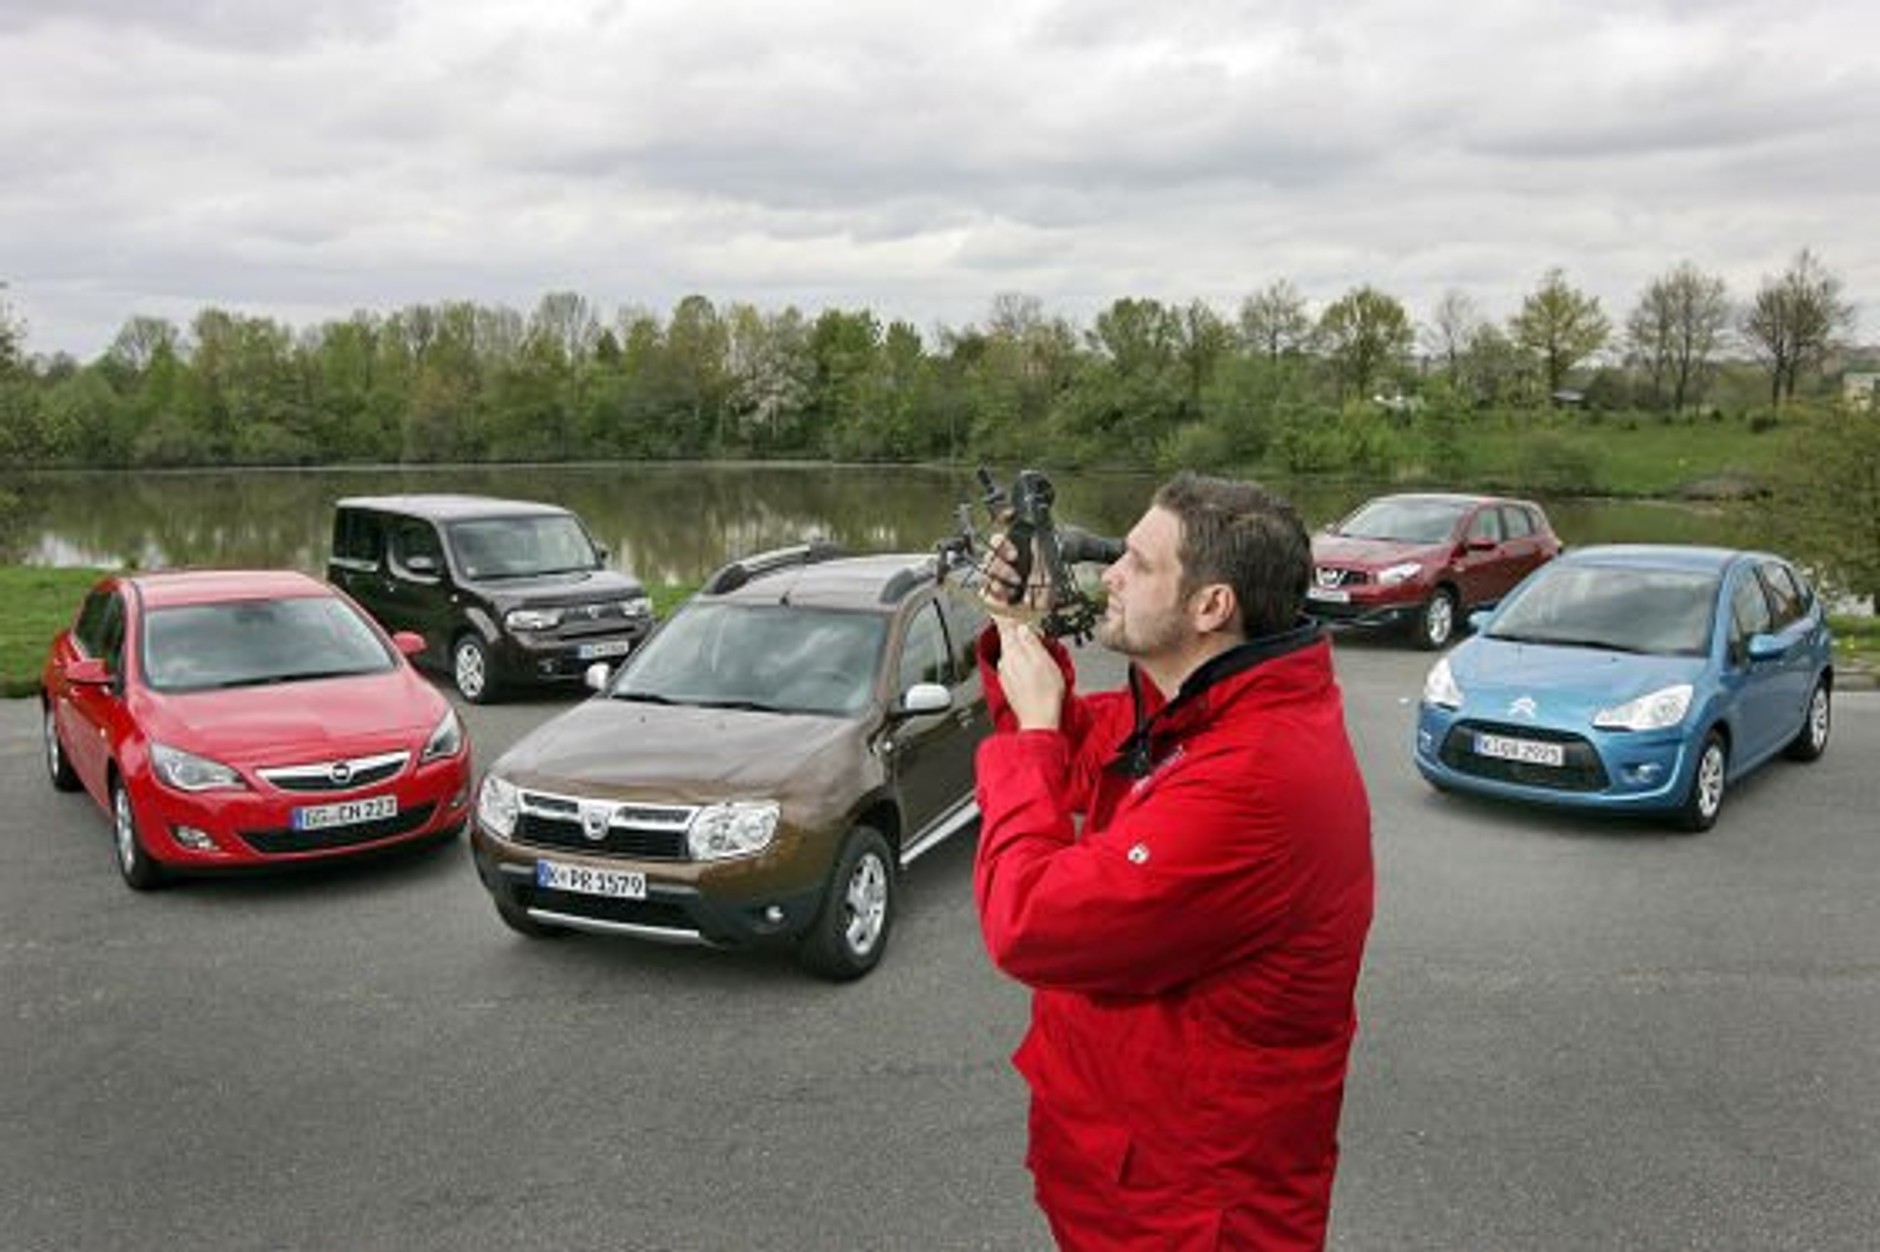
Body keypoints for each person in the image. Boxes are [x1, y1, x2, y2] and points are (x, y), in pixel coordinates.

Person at [972, 472, 1375, 1251]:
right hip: (1128, 1177)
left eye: (1138, 563)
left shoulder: (1255, 781)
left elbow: (1028, 923)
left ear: (1211, 606)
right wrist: (1018, 632)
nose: (1110, 574)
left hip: (1189, 1214)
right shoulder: (1205, 712)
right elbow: (1085, 750)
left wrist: (1028, 735)